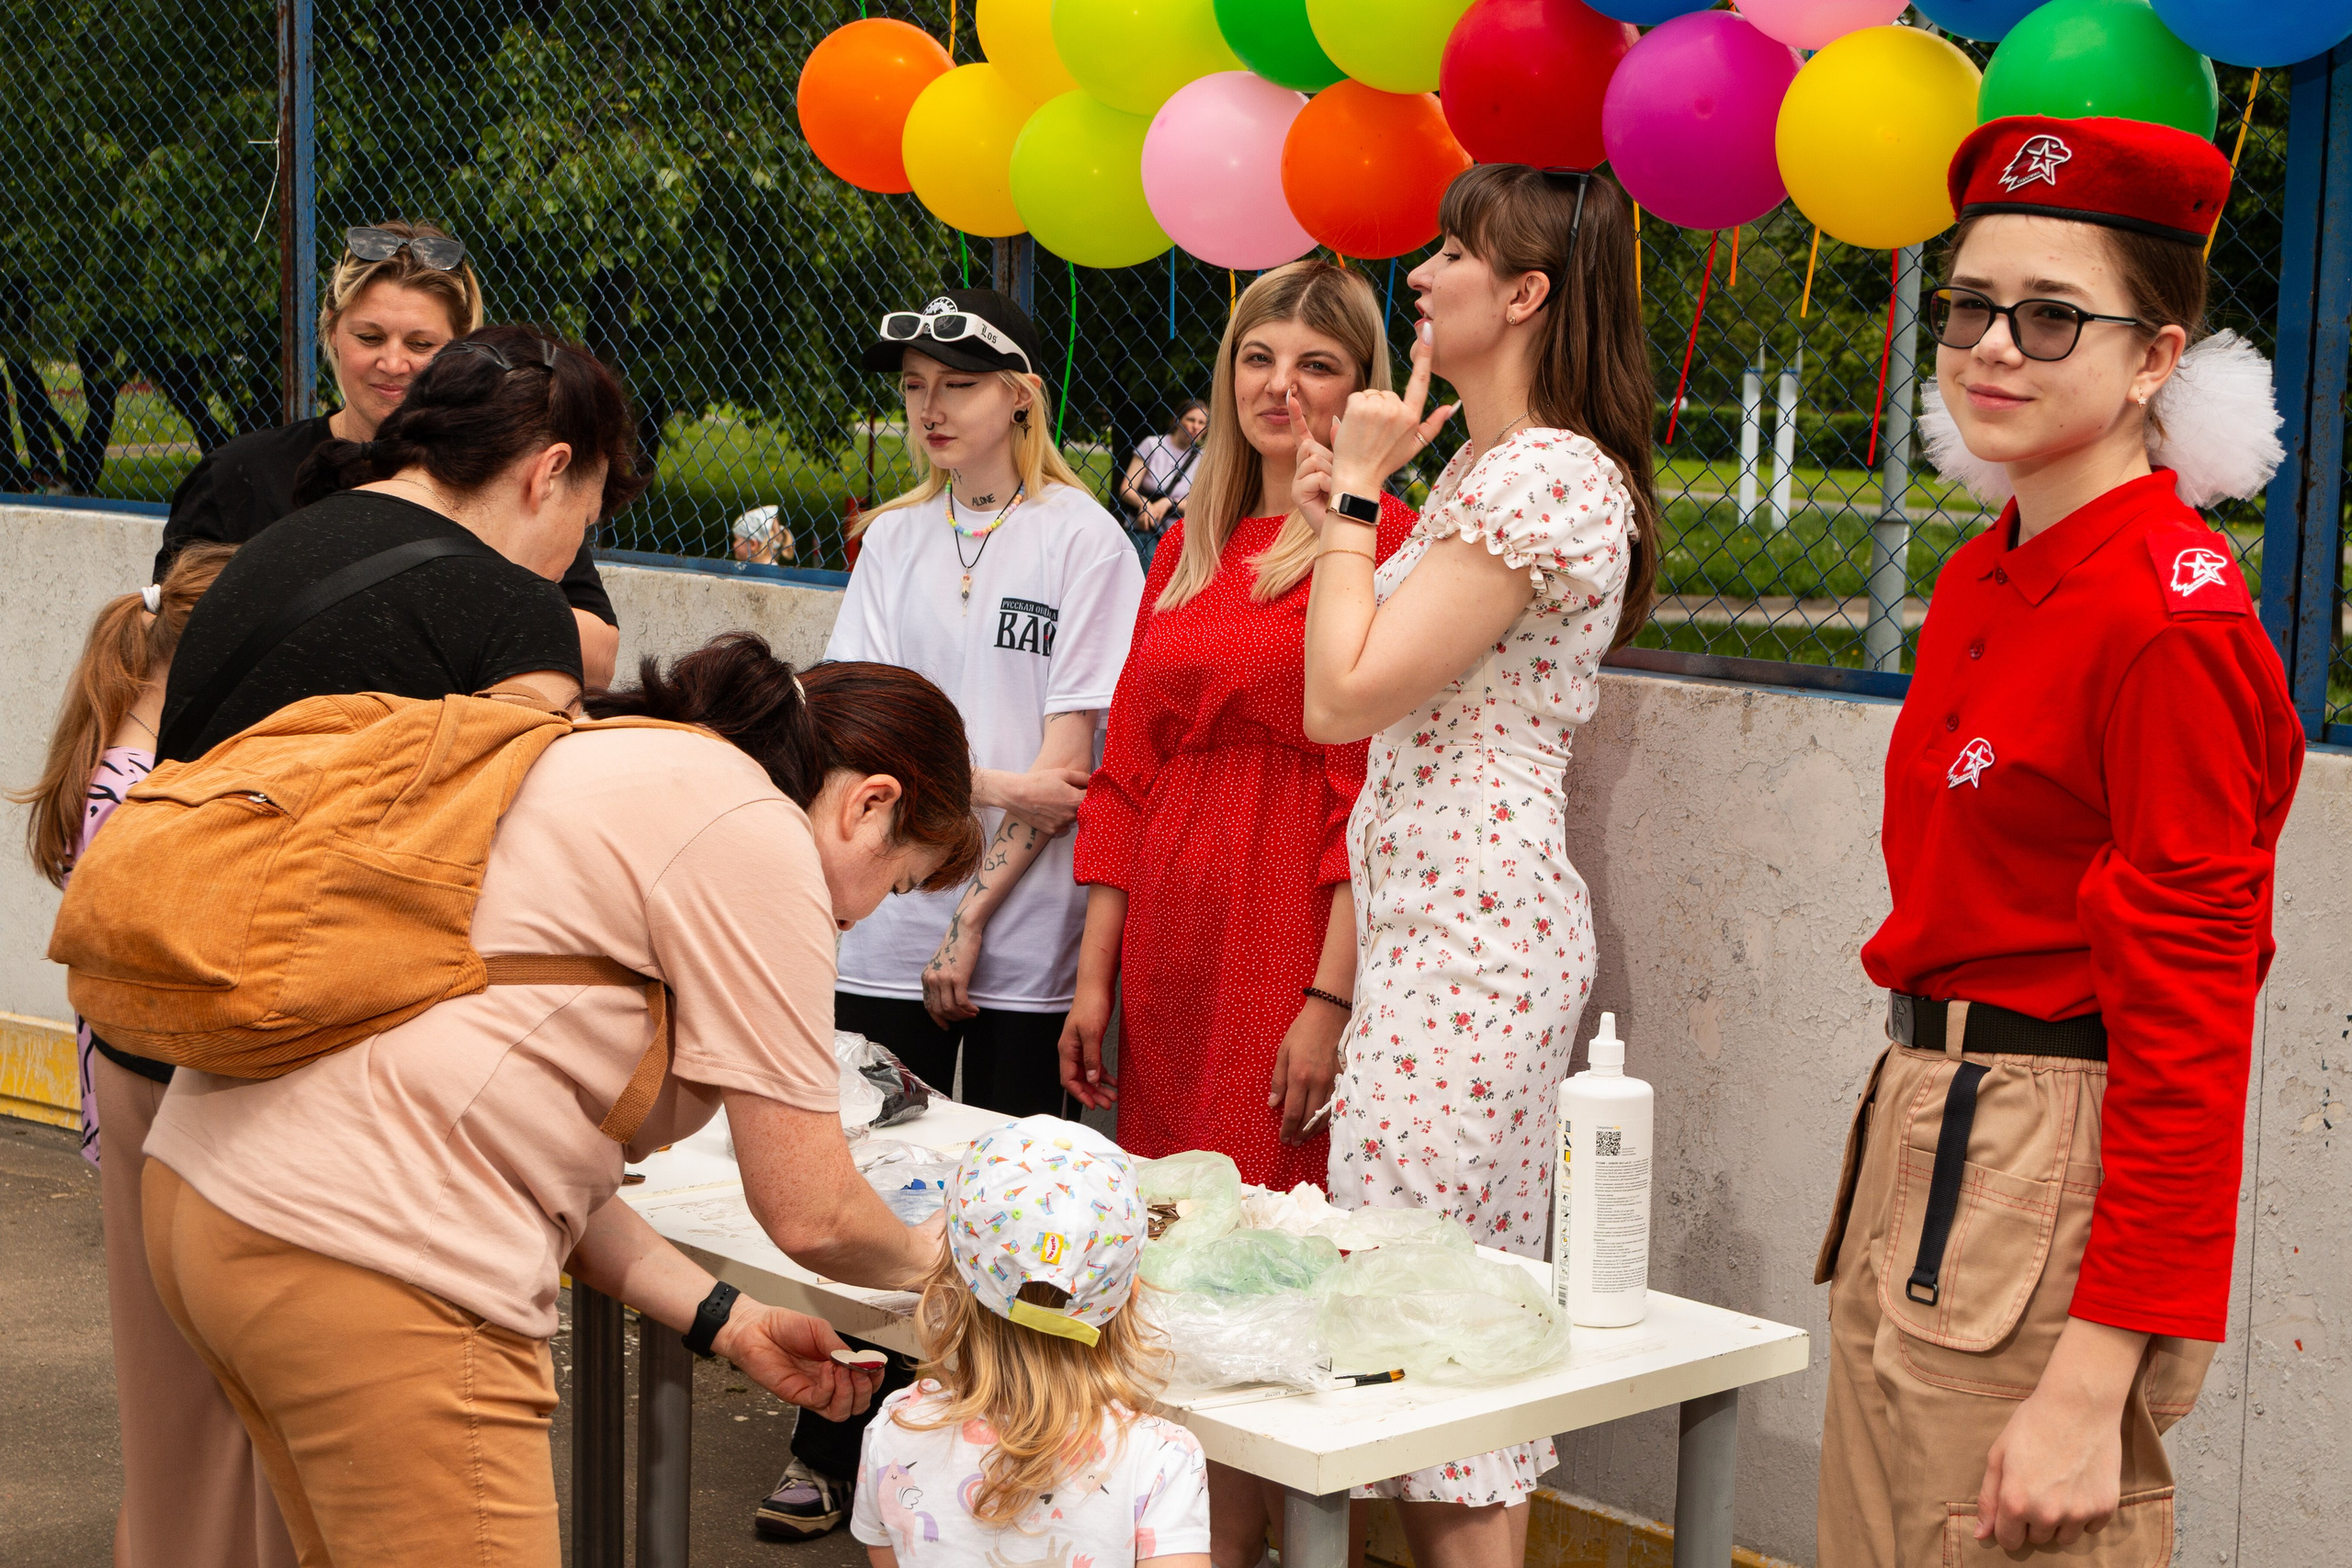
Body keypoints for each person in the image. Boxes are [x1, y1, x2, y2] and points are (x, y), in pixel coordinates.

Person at [138, 636, 982, 1565]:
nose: (860, 919)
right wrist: (945, 1261)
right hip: (376, 1261)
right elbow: (813, 1211)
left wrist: (727, 1319)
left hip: (215, 1204)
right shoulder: (754, 826)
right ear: (870, 804)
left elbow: (522, 1153)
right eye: (896, 882)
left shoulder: (611, 755)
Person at [1815, 117, 2303, 1563]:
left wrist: (2096, 1377)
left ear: (2158, 356)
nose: (1992, 347)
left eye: (2051, 315)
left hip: (2046, 1150)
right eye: (1971, 305)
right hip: (1923, 1111)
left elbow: (2196, 1016)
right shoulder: (1988, 565)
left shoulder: (2169, 620)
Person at [1295, 164, 1659, 1568]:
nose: (1423, 276)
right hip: (1432, 929)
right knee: (1428, 1336)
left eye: (1454, 253)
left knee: (1430, 1345)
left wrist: (1354, 502)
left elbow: (1345, 693)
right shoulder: (1490, 470)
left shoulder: (1547, 477)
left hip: (1474, 939)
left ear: (1525, 295)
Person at [773, 288, 1145, 1543]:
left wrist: (972, 912)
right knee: (869, 1178)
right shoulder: (891, 538)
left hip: (1024, 936)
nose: (932, 408)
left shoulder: (1084, 540)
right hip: (881, 913)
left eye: (961, 385)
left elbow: (1070, 773)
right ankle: (839, 1436)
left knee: (1009, 1196)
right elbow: (851, 724)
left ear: (1022, 394)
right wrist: (989, 784)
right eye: (917, 386)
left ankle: (1012, 1456)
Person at [1061, 261, 1414, 1204]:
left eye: (1317, 364)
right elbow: (1127, 770)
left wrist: (1329, 1001)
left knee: (1268, 1214)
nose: (1279, 386)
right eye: (1256, 357)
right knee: (1168, 1214)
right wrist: (1094, 978)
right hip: (1173, 926)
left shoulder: (1382, 538)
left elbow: (1370, 792)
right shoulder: (1186, 544)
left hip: (1289, 923)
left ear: (1361, 390)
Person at [10, 543, 298, 1568]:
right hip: (168, 1124)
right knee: (193, 1422)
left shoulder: (128, 771)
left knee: (179, 1420)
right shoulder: (148, 795)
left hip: (138, 1122)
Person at [155, 220, 621, 689]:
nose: (394, 364)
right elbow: (167, 642)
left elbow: (600, 658)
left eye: (422, 345)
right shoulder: (238, 475)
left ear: (464, 351)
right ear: (332, 332)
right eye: (370, 338)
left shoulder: (503, 473)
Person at [155, 322, 638, 766]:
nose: (568, 558)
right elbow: (545, 817)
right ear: (549, 471)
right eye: (585, 521)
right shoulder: (518, 606)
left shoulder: (273, 543)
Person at [852, 1115, 1209, 1568]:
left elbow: (888, 1554)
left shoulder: (897, 1427)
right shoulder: (1161, 1458)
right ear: (1130, 1292)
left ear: (949, 1279)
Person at [1117, 399, 1208, 570]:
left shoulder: (1204, 459)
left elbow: (1203, 506)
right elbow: (1126, 488)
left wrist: (1169, 503)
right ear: (1177, 420)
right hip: (1145, 532)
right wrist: (1145, 505)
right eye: (1190, 420)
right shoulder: (1152, 444)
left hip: (1180, 539)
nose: (1196, 426)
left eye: (1201, 422)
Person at [733, 502, 798, 565]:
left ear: (753, 544)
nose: (734, 545)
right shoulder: (770, 570)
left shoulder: (757, 573)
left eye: (736, 540)